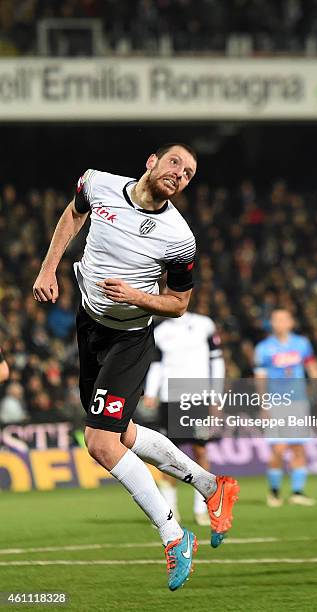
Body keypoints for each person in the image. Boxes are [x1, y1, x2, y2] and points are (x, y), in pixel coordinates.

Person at [33, 143, 239, 591]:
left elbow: (179, 303)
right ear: (151, 162)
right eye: (174, 163)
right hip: (89, 327)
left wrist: (136, 296)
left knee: (101, 444)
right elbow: (73, 214)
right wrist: (49, 269)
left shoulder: (179, 237)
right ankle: (211, 486)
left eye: (188, 173)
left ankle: (174, 535)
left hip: (129, 337)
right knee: (121, 433)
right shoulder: (97, 183)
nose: (179, 174)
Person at [143, 310, 225, 525]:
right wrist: (151, 391)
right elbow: (157, 364)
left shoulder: (204, 324)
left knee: (201, 450)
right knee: (168, 456)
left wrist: (216, 395)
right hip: (170, 398)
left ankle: (202, 509)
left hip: (198, 397)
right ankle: (170, 511)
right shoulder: (160, 331)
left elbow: (216, 361)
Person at [254, 308, 317, 507]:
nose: (280, 323)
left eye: (284, 319)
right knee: (278, 448)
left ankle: (297, 492)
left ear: (291, 322)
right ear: (272, 324)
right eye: (276, 319)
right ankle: (274, 493)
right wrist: (263, 403)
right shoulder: (264, 348)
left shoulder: (302, 344)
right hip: (276, 403)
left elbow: (313, 367)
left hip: (299, 402)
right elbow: (260, 378)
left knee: (298, 447)